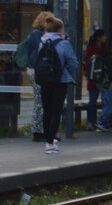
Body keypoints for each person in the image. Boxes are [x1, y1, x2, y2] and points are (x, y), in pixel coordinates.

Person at [35, 14, 79, 154]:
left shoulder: (41, 42)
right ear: (60, 29)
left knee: (47, 110)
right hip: (60, 80)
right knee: (56, 111)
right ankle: (50, 143)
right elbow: (73, 63)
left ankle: (49, 139)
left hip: (44, 79)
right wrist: (67, 71)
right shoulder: (64, 43)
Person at [24, 11, 51, 141]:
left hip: (39, 70)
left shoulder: (40, 35)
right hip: (35, 70)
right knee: (39, 101)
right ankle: (37, 131)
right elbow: (44, 48)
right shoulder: (36, 35)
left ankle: (42, 129)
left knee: (43, 100)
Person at [95, 37, 112, 132]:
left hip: (102, 84)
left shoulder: (105, 56)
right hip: (109, 84)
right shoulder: (111, 58)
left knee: (106, 104)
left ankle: (105, 125)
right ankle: (100, 121)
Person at [82, 28, 106, 130]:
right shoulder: (91, 48)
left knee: (106, 101)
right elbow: (88, 63)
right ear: (98, 37)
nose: (105, 38)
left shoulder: (105, 46)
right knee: (92, 101)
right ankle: (90, 122)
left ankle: (101, 121)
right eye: (104, 36)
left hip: (104, 78)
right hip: (94, 78)